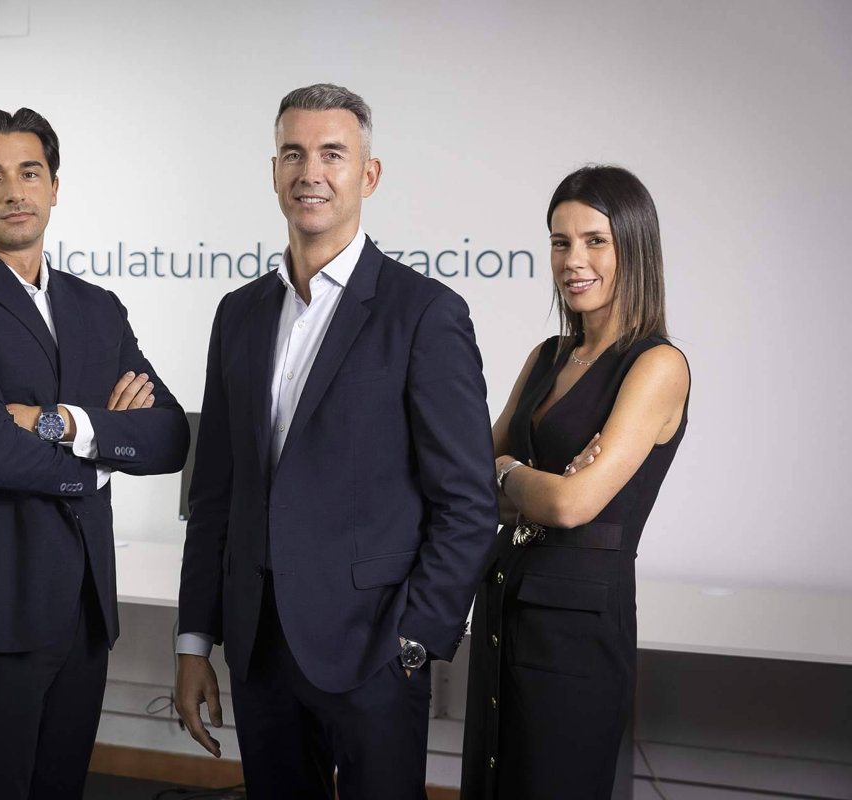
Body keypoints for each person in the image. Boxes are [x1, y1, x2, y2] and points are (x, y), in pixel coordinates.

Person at [174, 83, 497, 800]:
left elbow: (469, 503)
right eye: (293, 154)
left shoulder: (425, 314)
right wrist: (194, 640)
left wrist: (415, 640)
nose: (310, 173)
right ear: (274, 172)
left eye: (332, 154)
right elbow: (215, 494)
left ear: (368, 175)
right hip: (259, 651)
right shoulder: (238, 315)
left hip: (374, 649)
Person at [0, 107, 189, 800]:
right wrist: (109, 450)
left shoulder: (97, 307)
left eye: (30, 172)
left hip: (85, 605)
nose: (14, 191)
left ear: (54, 187)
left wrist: (63, 423)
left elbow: (171, 436)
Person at [460, 165, 691, 798]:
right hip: (504, 602)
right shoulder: (547, 356)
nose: (573, 260)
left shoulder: (657, 364)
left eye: (595, 241)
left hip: (577, 635)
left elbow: (570, 505)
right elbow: (468, 480)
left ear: (633, 248)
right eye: (560, 242)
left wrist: (508, 472)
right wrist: (518, 480)